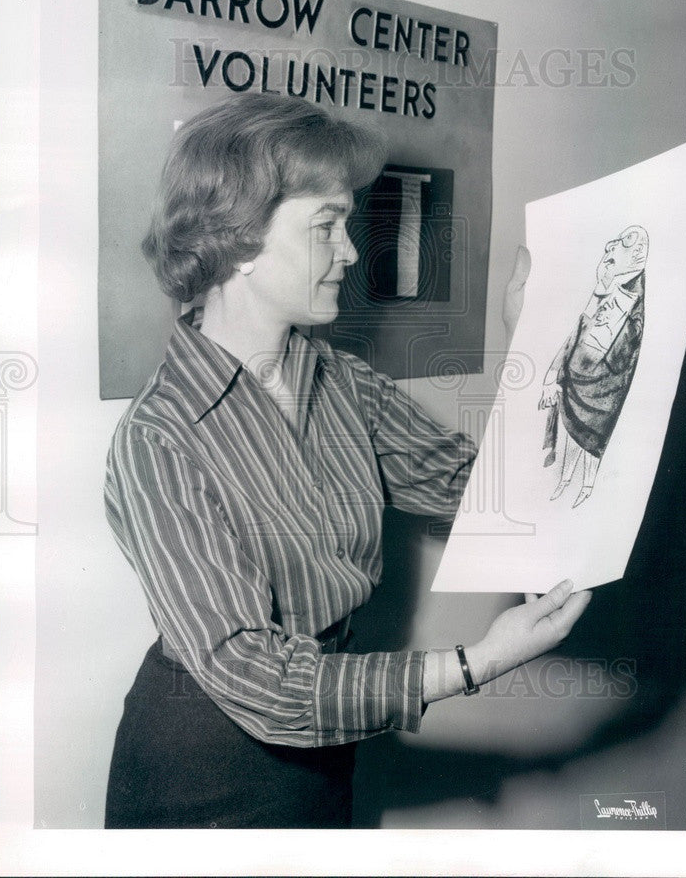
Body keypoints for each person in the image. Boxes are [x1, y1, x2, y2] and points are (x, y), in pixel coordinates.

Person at [104, 93, 591, 829]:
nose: (353, 251)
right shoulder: (159, 438)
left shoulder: (343, 383)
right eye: (326, 226)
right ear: (236, 239)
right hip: (205, 768)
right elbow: (256, 679)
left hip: (330, 743)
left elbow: (484, 492)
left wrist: (537, 344)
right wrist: (476, 663)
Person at [539, 225, 648, 508]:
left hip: (605, 384)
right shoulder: (606, 290)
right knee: (573, 431)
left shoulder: (631, 296)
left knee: (594, 435)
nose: (605, 262)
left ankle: (587, 485)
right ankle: (565, 479)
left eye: (612, 258)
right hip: (578, 375)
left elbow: (624, 343)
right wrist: (553, 373)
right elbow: (579, 328)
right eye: (606, 258)